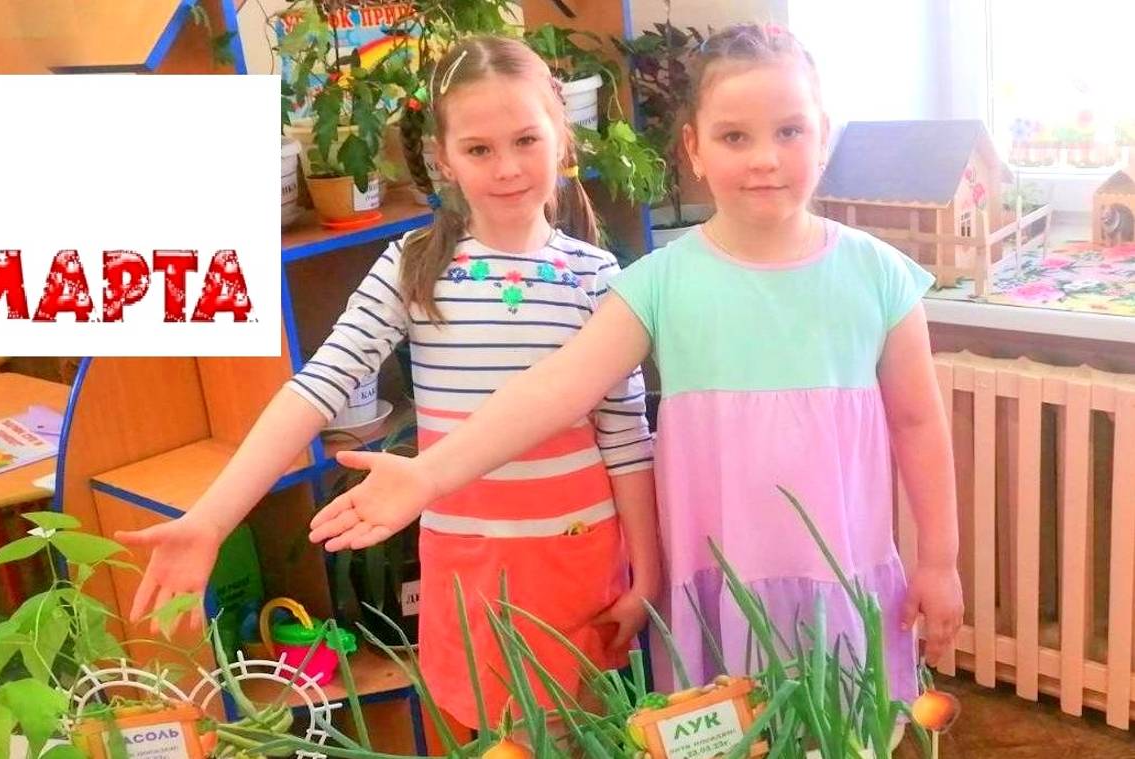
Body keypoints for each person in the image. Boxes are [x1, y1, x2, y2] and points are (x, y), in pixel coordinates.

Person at [309, 23, 964, 712]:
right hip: (716, 594)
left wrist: (939, 560)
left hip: (844, 581)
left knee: (848, 736)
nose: (765, 159)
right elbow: (556, 388)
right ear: (694, 149)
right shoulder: (658, 282)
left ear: (823, 135)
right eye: (734, 136)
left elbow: (919, 425)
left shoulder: (880, 276)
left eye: (790, 131)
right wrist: (429, 473)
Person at [118, 35, 659, 731]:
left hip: (579, 557)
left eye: (526, 140)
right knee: (499, 735)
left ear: (561, 137)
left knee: (582, 732)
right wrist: (212, 519)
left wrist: (646, 575)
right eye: (479, 149)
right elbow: (318, 386)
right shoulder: (413, 266)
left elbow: (626, 438)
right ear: (443, 159)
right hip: (468, 561)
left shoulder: (597, 275)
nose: (506, 168)